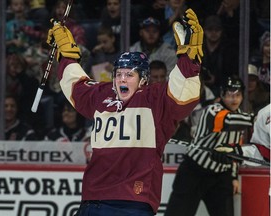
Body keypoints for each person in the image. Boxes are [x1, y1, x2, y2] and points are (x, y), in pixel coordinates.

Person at [47, 8, 203, 216]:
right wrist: (66, 55)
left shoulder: (156, 98)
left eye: (129, 75)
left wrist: (189, 60)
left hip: (132, 202)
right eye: (118, 74)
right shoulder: (101, 93)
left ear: (144, 80)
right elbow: (75, 85)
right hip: (92, 200)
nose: (122, 79)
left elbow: (184, 94)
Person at [165, 76, 254, 216]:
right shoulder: (212, 111)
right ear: (222, 94)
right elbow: (228, 121)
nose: (234, 99)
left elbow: (235, 151)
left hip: (220, 176)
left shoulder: (241, 118)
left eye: (237, 95)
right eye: (230, 95)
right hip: (194, 171)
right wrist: (256, 118)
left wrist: (233, 177)